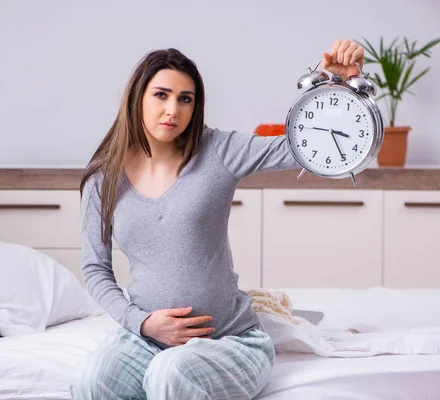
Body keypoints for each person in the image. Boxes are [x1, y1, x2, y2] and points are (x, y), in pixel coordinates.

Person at [71, 40, 365, 399]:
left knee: (171, 374)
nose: (172, 110)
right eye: (161, 95)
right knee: (91, 379)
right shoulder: (104, 178)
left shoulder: (218, 151)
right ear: (137, 97)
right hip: (146, 337)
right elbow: (95, 269)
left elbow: (301, 147)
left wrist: (337, 87)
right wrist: (143, 323)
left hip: (230, 341)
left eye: (185, 99)